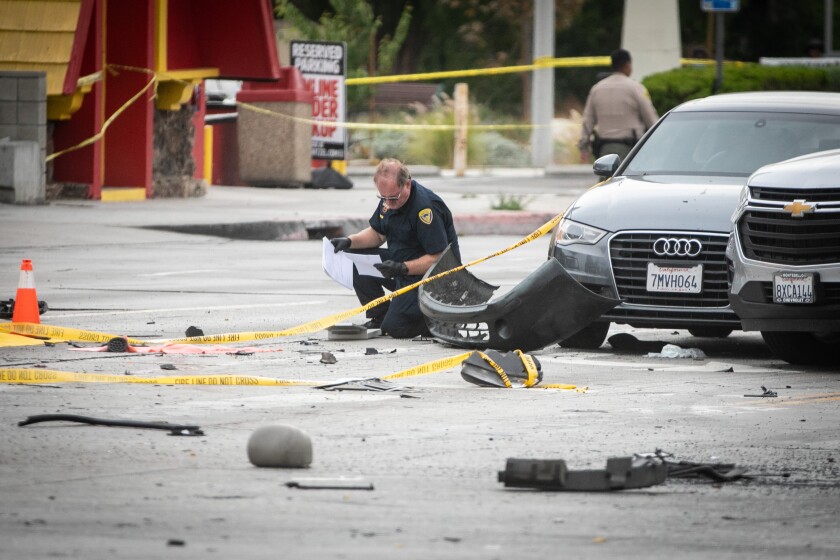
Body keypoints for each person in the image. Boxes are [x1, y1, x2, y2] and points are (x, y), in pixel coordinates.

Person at [329, 158, 460, 338]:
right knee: (352, 258)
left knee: (397, 328)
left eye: (393, 198)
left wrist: (402, 268)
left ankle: (440, 320)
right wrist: (349, 241)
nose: (388, 203)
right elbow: (377, 234)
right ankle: (380, 315)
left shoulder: (425, 208)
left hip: (430, 279)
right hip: (400, 267)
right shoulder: (389, 197)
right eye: (383, 198)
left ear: (407, 184)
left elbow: (439, 258)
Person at [578, 48, 659, 162]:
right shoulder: (636, 88)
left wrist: (584, 146)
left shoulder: (596, 89)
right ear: (627, 65)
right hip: (630, 149)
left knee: (607, 177)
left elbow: (588, 120)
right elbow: (650, 118)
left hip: (604, 148)